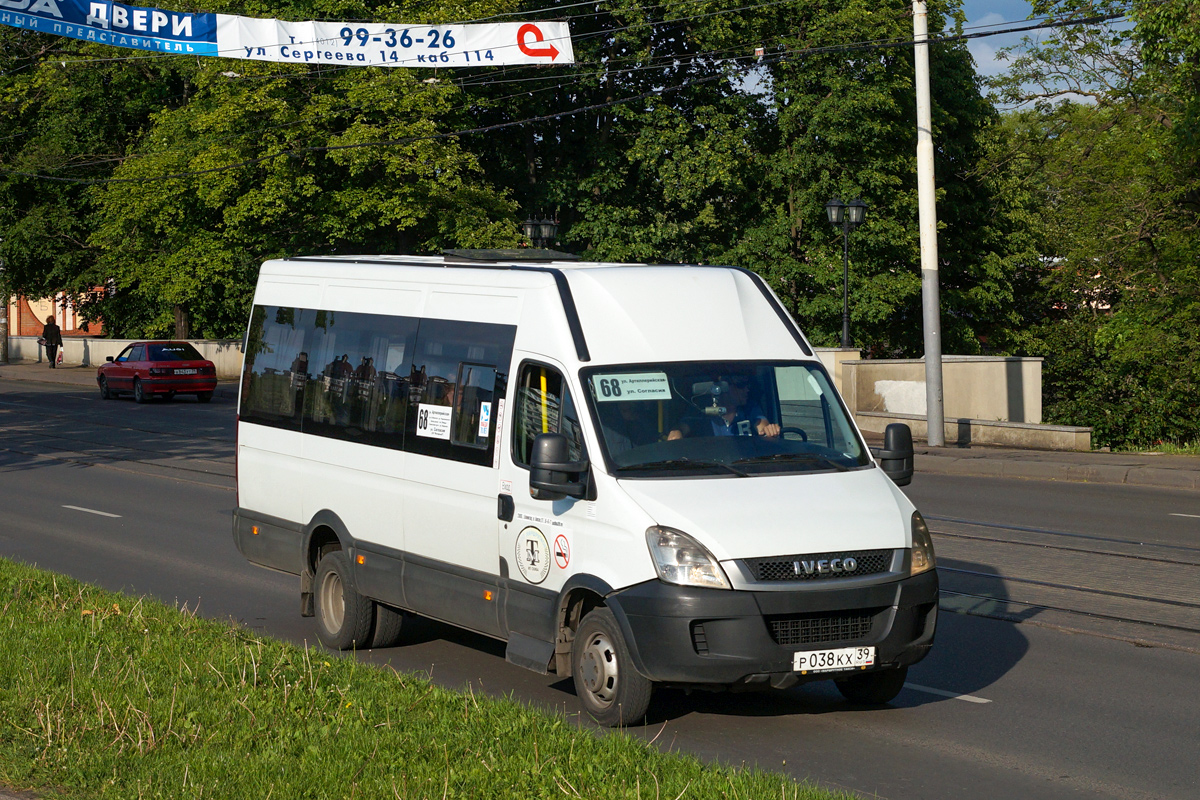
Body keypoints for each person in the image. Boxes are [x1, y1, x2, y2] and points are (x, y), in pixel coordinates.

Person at [668, 375, 780, 439]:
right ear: (722, 387)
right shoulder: (700, 410)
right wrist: (677, 433)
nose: (747, 389)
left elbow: (762, 427)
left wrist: (769, 431)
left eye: (747, 385)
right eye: (741, 385)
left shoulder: (750, 408)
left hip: (745, 466)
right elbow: (682, 427)